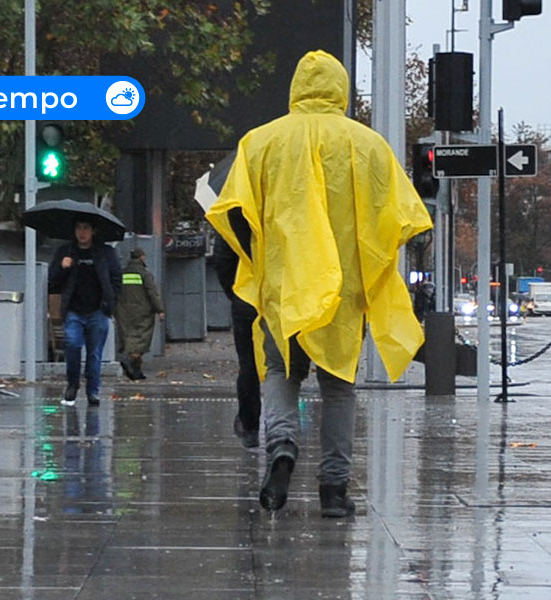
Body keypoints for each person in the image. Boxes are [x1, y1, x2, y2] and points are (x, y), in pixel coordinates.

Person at [207, 50, 432, 518]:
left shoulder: (260, 142)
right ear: (341, 89)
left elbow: (231, 211)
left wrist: (256, 260)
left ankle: (282, 447)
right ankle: (334, 489)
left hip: (283, 287)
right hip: (343, 293)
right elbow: (401, 217)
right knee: (338, 389)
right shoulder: (367, 145)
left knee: (279, 373)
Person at [48, 218, 122, 406]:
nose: (82, 233)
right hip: (73, 311)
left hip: (98, 310)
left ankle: (93, 390)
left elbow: (116, 279)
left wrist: (109, 304)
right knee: (72, 345)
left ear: (93, 231)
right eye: (78, 228)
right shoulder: (65, 252)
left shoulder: (106, 253)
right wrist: (63, 268)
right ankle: (72, 384)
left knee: (94, 353)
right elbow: (53, 282)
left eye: (86, 228)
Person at [213, 233, 261, 449]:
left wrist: (235, 292)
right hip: (282, 296)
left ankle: (250, 426)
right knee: (282, 367)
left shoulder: (235, 207)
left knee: (249, 366)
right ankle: (284, 432)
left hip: (246, 298)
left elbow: (223, 258)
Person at [116, 247, 165, 381]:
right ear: (142, 257)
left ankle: (136, 372)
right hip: (142, 311)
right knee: (140, 341)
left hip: (123, 311)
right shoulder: (144, 273)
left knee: (128, 337)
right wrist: (160, 310)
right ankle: (129, 361)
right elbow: (152, 293)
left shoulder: (122, 272)